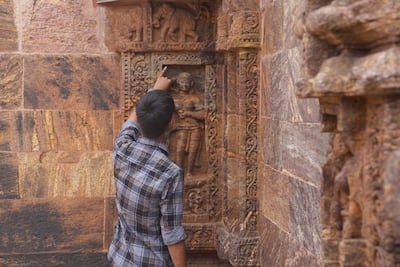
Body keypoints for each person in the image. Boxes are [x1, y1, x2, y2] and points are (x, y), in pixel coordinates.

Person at [107, 67, 187, 267]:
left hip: (121, 258)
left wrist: (153, 92)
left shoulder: (122, 148)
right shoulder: (170, 174)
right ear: (170, 122)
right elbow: (172, 233)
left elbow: (131, 123)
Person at [170, 72, 205, 177]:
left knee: (192, 151)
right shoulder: (173, 97)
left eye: (187, 82)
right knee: (180, 149)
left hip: (194, 127)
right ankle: (179, 172)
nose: (184, 84)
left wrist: (189, 113)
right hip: (180, 127)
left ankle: (189, 172)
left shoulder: (194, 98)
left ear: (191, 84)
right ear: (177, 83)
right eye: (182, 82)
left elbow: (203, 114)